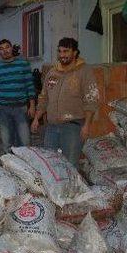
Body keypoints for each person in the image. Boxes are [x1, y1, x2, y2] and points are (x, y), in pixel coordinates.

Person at [32, 37, 100, 167]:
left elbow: (91, 99)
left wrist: (86, 125)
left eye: (66, 51)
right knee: (50, 164)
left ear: (74, 52)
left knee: (70, 165)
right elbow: (44, 97)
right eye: (60, 51)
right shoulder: (52, 73)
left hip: (73, 127)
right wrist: (36, 118)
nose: (62, 55)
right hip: (51, 127)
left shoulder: (84, 71)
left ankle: (71, 187)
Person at [0, 39, 36, 153]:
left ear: (11, 48)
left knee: (24, 142)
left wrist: (32, 106)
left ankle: (25, 168)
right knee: (6, 143)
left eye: (7, 47)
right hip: (3, 110)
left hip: (21, 108)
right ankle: (10, 167)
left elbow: (30, 86)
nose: (5, 51)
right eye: (1, 49)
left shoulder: (23, 64)